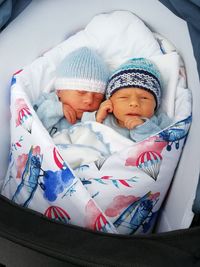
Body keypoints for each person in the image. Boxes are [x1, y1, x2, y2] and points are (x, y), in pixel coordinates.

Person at [82, 57, 172, 142]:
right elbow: (82, 132)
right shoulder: (104, 118)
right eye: (123, 97)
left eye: (144, 98)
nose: (134, 103)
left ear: (156, 104)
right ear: (109, 101)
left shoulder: (160, 122)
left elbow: (166, 144)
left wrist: (143, 128)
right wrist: (97, 118)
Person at [33, 47, 109, 136]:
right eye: (81, 92)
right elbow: (32, 125)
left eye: (98, 97)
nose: (89, 100)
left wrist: (95, 119)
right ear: (59, 91)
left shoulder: (98, 114)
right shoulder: (46, 102)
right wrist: (57, 109)